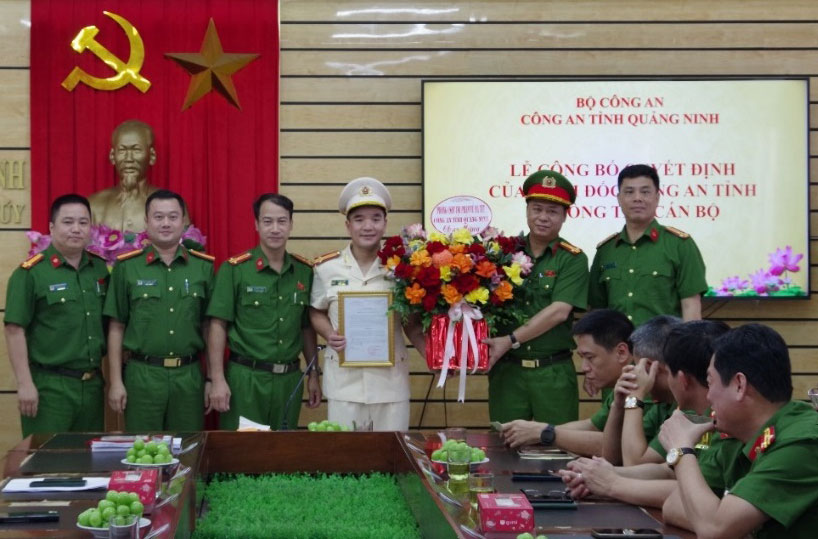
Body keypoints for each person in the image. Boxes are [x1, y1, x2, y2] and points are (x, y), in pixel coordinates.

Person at [660, 324, 818, 538]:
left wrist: (681, 451)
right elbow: (673, 506)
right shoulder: (742, 435)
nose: (708, 397)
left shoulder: (803, 442)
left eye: (710, 382)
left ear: (739, 385)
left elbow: (714, 530)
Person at [560, 320, 731, 509]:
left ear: (681, 378)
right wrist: (602, 474)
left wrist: (613, 484)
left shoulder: (725, 420)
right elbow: (669, 470)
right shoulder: (688, 411)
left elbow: (699, 497)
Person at [309, 177, 426, 431]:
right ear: (347, 225)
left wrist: (433, 356)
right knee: (345, 461)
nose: (368, 226)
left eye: (375, 218)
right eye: (359, 219)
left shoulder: (402, 269)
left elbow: (412, 324)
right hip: (344, 383)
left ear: (385, 224)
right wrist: (329, 333)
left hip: (390, 383)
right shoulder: (326, 268)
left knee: (391, 459)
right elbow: (316, 311)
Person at [483, 170, 589, 425]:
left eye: (552, 211)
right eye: (537, 209)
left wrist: (510, 340)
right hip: (507, 372)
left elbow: (559, 311)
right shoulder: (500, 253)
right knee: (505, 450)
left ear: (565, 216)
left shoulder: (573, 259)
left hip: (553, 374)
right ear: (527, 210)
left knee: (558, 452)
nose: (543, 217)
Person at [206, 193, 321, 430]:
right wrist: (217, 379)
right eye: (267, 221)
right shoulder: (235, 270)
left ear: (291, 224)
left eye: (282, 221)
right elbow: (218, 325)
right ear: (256, 224)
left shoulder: (304, 272)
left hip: (289, 380)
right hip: (246, 379)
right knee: (241, 455)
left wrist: (314, 374)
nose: (275, 229)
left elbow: (306, 328)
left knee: (281, 455)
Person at [104, 190, 214, 431]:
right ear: (146, 221)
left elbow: (210, 328)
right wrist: (116, 382)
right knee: (142, 453)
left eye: (173, 217)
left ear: (184, 221)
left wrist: (211, 378)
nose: (166, 223)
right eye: (158, 217)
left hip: (189, 377)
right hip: (142, 376)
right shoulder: (127, 267)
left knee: (186, 453)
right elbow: (116, 327)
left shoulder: (203, 268)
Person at [4, 194, 109, 437]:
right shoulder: (30, 274)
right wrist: (24, 383)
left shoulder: (99, 269)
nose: (76, 229)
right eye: (68, 222)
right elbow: (14, 329)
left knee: (88, 462)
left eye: (83, 223)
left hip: (92, 384)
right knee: (46, 463)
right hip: (50, 386)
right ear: (52, 227)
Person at [500, 309, 633, 456]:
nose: (584, 367)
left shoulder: (641, 386)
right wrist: (534, 432)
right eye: (582, 357)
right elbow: (592, 426)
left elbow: (618, 447)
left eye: (590, 357)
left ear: (621, 352)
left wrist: (545, 433)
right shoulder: (624, 381)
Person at [588, 164, 707, 326]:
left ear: (657, 197)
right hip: (616, 349)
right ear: (619, 199)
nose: (637, 198)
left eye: (645, 192)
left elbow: (691, 307)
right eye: (629, 192)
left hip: (664, 348)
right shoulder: (606, 250)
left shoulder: (680, 245)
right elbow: (597, 311)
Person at [89, 119, 160, 232]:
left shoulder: (172, 206)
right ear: (113, 156)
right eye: (122, 150)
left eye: (136, 150)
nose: (128, 159)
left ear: (152, 156)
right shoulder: (93, 206)